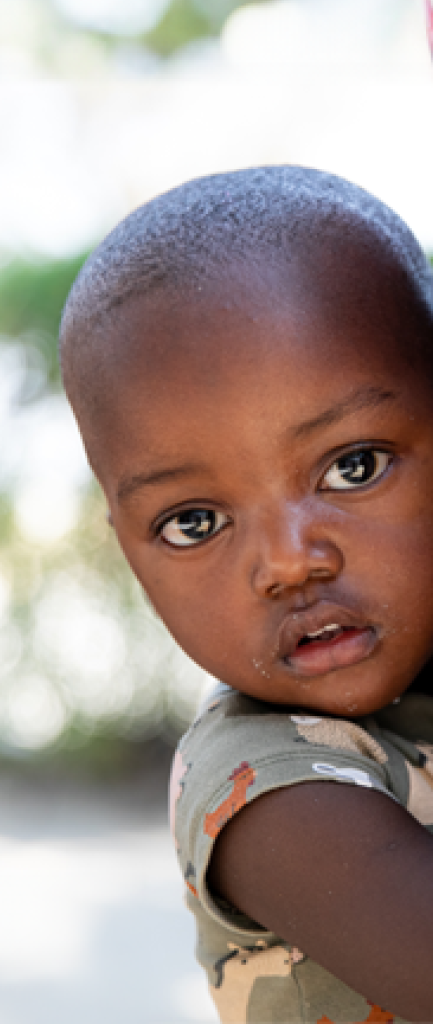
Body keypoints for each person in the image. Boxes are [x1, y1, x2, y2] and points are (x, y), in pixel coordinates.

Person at [58, 165, 433, 1024]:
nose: (288, 563)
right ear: (129, 549)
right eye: (195, 522)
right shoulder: (264, 790)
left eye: (353, 467)